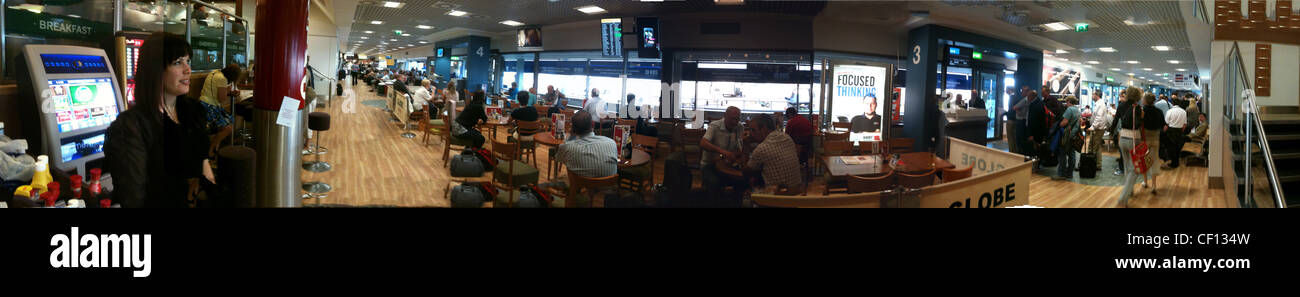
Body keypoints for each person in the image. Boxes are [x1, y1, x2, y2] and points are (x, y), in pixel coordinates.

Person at [105, 32, 213, 208]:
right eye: (178, 62)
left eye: (188, 61)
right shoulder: (130, 127)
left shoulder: (193, 110)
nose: (188, 69)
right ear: (155, 70)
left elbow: (204, 164)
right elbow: (133, 198)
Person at [741, 114, 804, 195]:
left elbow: (746, 172)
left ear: (763, 129)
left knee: (748, 185)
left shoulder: (762, 149)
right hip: (796, 193)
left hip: (777, 198)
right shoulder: (786, 137)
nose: (751, 134)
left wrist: (745, 146)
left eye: (753, 130)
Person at [700, 106, 748, 206]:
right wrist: (723, 152)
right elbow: (703, 143)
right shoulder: (715, 126)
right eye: (732, 119)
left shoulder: (739, 127)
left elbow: (740, 147)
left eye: (737, 119)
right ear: (725, 116)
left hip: (727, 165)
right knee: (715, 183)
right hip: (709, 165)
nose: (735, 122)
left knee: (743, 182)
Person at [555, 110, 619, 178]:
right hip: (609, 186)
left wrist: (571, 136)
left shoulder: (567, 147)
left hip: (580, 186)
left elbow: (558, 158)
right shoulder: (611, 142)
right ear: (593, 124)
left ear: (573, 128)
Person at [197, 63, 239, 156]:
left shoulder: (215, 72)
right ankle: (210, 149)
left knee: (229, 120)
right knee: (228, 128)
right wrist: (229, 91)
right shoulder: (222, 79)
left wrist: (227, 90)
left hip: (204, 104)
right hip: (208, 107)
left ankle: (216, 148)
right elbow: (222, 99)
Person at [1140, 93, 1164, 194]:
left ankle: (1145, 182)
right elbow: (1163, 124)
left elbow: (1139, 123)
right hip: (1155, 137)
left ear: (1145, 100)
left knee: (1144, 159)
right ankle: (1154, 185)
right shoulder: (1159, 111)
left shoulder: (1142, 111)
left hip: (1144, 137)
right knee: (1154, 160)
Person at [1053, 96, 1081, 180]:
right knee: (1072, 155)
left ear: (1069, 101)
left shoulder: (1069, 110)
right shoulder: (1077, 110)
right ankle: (1070, 174)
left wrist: (1058, 124)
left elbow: (1064, 122)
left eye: (1066, 102)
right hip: (1074, 135)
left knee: (1062, 154)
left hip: (1067, 135)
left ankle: (1061, 174)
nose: (1066, 104)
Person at [1087, 90, 1112, 169]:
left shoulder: (1100, 104)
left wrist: (1093, 127)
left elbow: (1098, 117)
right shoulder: (1099, 104)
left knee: (1094, 147)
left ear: (1096, 95)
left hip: (1098, 129)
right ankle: (1096, 164)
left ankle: (1094, 164)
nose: (1092, 96)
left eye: (1093, 94)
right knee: (1096, 147)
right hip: (1097, 128)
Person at [1163, 99, 1187, 169]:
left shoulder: (1169, 111)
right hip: (1179, 130)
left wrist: (1164, 132)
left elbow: (1166, 123)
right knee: (1178, 147)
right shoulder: (1183, 111)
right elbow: (1184, 124)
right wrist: (1181, 131)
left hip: (1171, 130)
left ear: (1172, 103)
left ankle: (1174, 163)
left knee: (1171, 147)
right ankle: (1176, 162)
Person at [1009, 86, 1031, 154]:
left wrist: (1018, 112)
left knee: (1019, 139)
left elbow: (1014, 107)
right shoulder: (1029, 100)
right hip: (1024, 121)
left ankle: (1018, 153)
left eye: (1023, 91)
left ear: (1026, 92)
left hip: (1020, 121)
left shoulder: (1025, 100)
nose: (1021, 92)